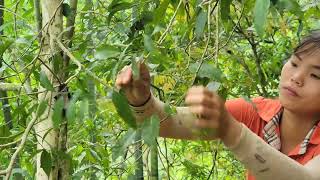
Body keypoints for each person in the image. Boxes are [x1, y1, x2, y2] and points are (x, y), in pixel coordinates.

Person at [115, 32, 320, 180]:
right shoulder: (256, 112)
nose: (296, 78)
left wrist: (232, 131)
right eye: (294, 63)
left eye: (315, 75)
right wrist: (142, 101)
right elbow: (169, 122)